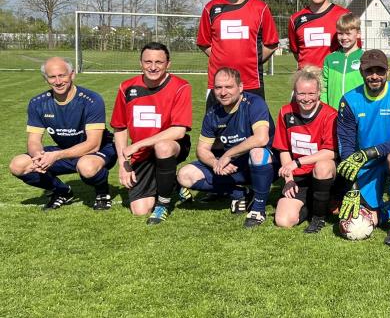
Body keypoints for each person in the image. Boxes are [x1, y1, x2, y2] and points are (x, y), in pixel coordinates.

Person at [10, 57, 116, 211]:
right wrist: (38, 156)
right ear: (45, 78)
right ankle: (61, 191)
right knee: (18, 165)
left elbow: (93, 144)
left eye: (62, 75)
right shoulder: (37, 103)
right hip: (65, 151)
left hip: (99, 149)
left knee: (86, 166)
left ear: (72, 75)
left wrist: (56, 156)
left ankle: (102, 192)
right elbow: (33, 141)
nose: (58, 81)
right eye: (52, 77)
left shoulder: (91, 100)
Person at [176, 67, 276, 228]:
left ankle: (258, 208)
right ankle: (238, 192)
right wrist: (215, 163)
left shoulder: (254, 103)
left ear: (240, 87)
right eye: (218, 87)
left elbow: (261, 138)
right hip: (232, 166)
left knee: (258, 153)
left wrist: (227, 154)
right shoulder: (212, 113)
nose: (223, 92)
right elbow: (202, 149)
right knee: (185, 175)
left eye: (228, 87)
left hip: (266, 164)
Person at [334, 49, 390, 245]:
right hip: (366, 163)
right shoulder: (349, 100)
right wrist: (352, 187)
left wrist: (369, 152)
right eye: (369, 71)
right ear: (361, 72)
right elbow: (346, 146)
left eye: (380, 71)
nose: (375, 76)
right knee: (367, 219)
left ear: (388, 72)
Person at [110, 43, 193, 223]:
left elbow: (179, 131)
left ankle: (162, 204)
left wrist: (139, 144)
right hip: (141, 154)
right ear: (141, 62)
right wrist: (123, 163)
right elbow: (120, 127)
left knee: (162, 147)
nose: (153, 67)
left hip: (172, 146)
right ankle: (172, 182)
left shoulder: (181, 86)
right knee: (139, 210)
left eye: (158, 62)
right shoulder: (126, 88)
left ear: (168, 64)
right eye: (148, 62)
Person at [196, 0, 279, 100]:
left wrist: (252, 60)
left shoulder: (260, 8)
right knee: (216, 122)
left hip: (251, 83)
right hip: (219, 84)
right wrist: (221, 58)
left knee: (255, 122)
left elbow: (271, 44)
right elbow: (204, 43)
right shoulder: (210, 8)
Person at [272, 67, 338, 233]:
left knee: (322, 166)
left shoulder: (330, 115)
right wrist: (289, 180)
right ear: (295, 93)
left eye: (311, 94)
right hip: (298, 177)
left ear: (319, 93)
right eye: (301, 94)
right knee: (283, 220)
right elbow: (284, 149)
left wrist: (298, 162)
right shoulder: (286, 112)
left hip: (323, 174)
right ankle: (312, 202)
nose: (306, 98)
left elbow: (331, 152)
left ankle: (318, 218)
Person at [288, 0, 352, 70]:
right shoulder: (295, 19)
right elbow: (297, 53)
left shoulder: (344, 16)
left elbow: (354, 50)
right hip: (306, 81)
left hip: (334, 80)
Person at [321, 13, 365, 107]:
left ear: (358, 34)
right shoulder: (330, 59)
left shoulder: (365, 58)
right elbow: (323, 88)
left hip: (358, 113)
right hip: (333, 112)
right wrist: (325, 109)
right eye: (340, 33)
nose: (344, 37)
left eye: (348, 33)